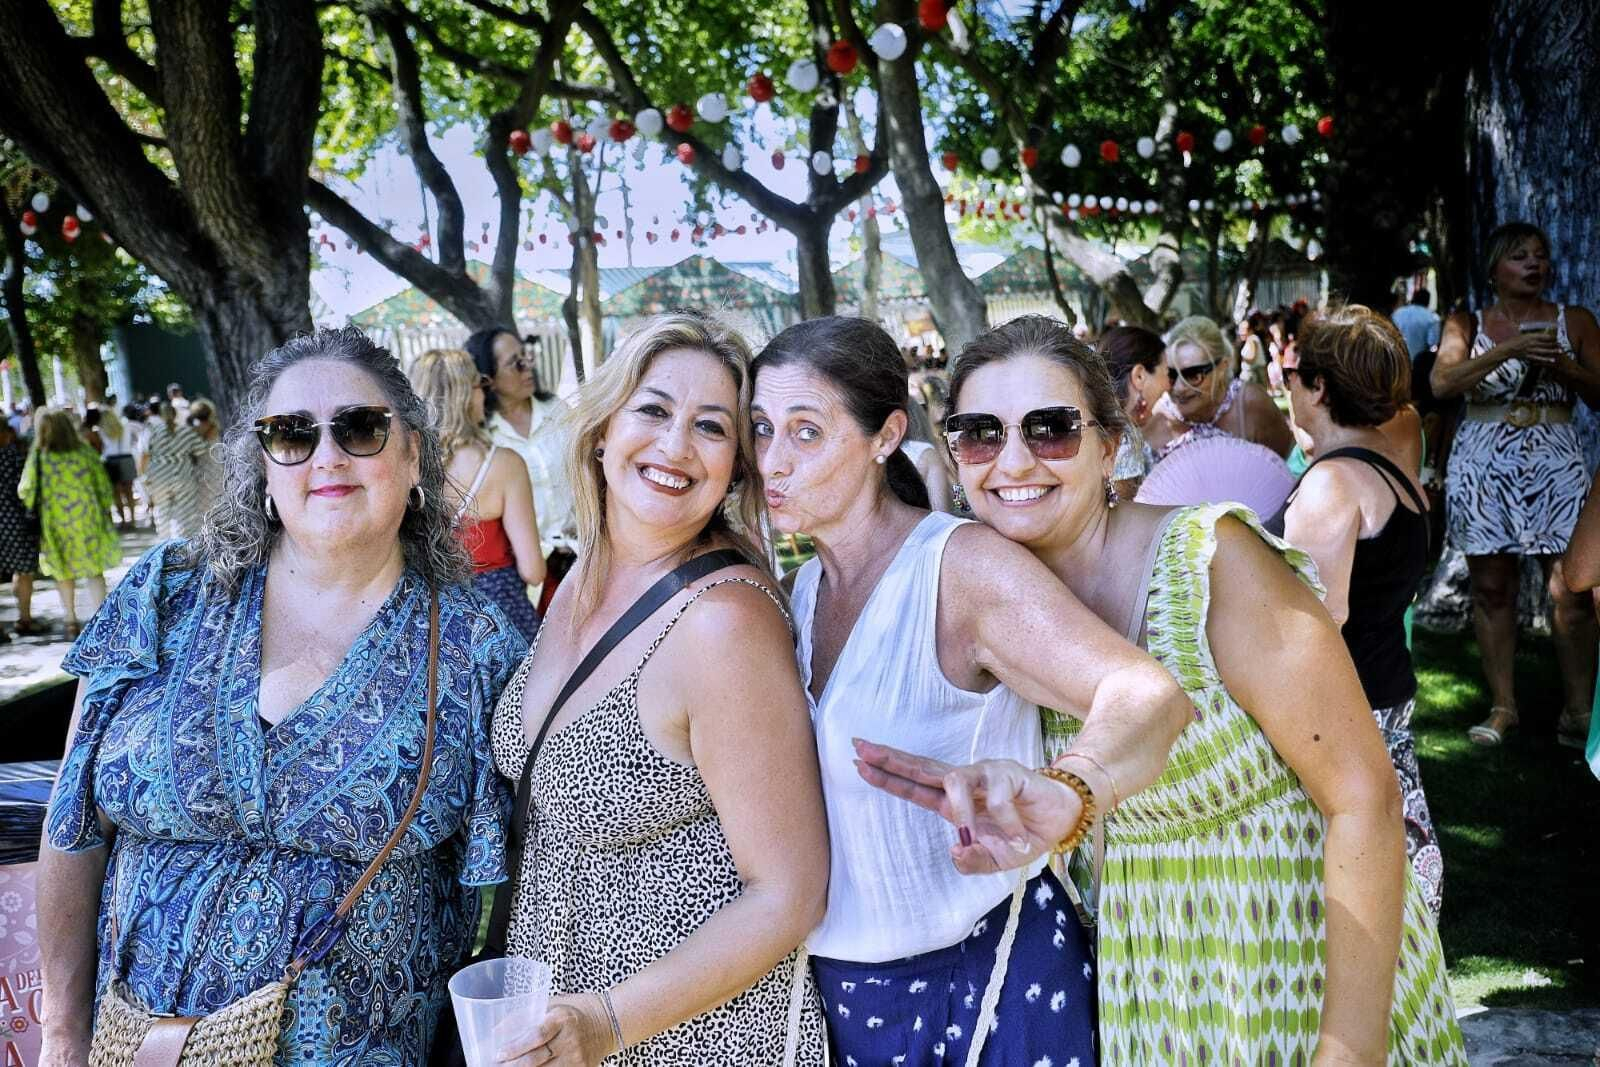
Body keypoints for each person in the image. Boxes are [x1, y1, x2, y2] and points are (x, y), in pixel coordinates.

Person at [855, 315, 1466, 1065]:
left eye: (1049, 429)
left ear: (1110, 446)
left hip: (1307, 962)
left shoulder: (1214, 561)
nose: (1012, 460)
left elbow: (1364, 797)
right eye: (980, 433)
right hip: (1157, 988)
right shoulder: (1001, 607)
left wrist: (1350, 1045)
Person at [35, 328, 525, 1065]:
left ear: (412, 453)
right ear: (263, 466)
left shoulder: (478, 645)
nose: (327, 455)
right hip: (138, 1046)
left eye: (360, 428)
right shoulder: (165, 594)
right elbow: (72, 824)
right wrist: (61, 1034)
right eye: (292, 434)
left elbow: (526, 876)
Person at [751, 315, 1193, 1066]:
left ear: (886, 436)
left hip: (990, 982)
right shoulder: (797, 594)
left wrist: (1069, 791)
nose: (772, 462)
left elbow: (1146, 691)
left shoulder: (959, 569)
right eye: (760, 429)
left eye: (806, 431)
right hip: (851, 1000)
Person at [490, 312, 827, 1065]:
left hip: (693, 1037)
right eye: (653, 409)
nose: (675, 447)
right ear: (604, 428)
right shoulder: (582, 573)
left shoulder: (721, 622)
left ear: (736, 465)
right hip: (558, 1027)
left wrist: (605, 1023)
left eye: (711, 427)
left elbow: (790, 892)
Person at [1267, 305, 1443, 916]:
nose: (1288, 386)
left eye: (1294, 374)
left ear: (1317, 385)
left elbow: (1314, 620)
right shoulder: (1397, 476)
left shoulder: (1333, 484)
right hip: (1386, 694)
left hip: (1340, 715)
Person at [1430, 222, 1600, 747]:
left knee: (1570, 588)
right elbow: (1441, 384)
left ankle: (1578, 712)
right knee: (1491, 587)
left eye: (1541, 257)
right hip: (1484, 461)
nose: (1535, 265)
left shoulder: (1574, 321)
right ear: (1495, 268)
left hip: (1556, 458)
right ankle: (1504, 706)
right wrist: (1506, 352)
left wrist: (1564, 366)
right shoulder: (1466, 323)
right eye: (1521, 256)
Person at [408, 347, 546, 641]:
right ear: (465, 395)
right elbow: (534, 571)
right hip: (501, 616)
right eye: (479, 385)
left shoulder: (405, 467)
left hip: (431, 618)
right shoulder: (505, 464)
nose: (484, 394)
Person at [470, 327, 577, 614]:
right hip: (528, 577)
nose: (527, 366)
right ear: (488, 380)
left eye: (526, 357)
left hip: (582, 558)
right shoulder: (484, 437)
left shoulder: (557, 410)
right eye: (514, 363)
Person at [18, 408, 120, 640]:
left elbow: (25, 490)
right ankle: (100, 620)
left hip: (55, 525)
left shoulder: (40, 456)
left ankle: (71, 621)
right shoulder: (84, 452)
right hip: (88, 522)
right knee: (94, 571)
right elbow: (104, 486)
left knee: (63, 574)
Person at [1143, 315, 1296, 459]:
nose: (1179, 388)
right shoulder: (1155, 419)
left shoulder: (1250, 405)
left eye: (1193, 375)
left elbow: (1289, 467)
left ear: (1222, 367)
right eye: (1171, 374)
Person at [1099, 324, 1167, 499]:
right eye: (1167, 372)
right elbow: (1120, 513)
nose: (1170, 385)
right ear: (1139, 376)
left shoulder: (1101, 422)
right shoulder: (1124, 436)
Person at [140, 399, 209, 539]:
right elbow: (202, 449)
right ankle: (183, 543)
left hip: (159, 476)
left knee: (162, 512)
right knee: (185, 513)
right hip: (183, 475)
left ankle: (165, 543)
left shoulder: (151, 432)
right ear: (175, 414)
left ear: (160, 415)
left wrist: (143, 476)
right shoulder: (186, 431)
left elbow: (144, 455)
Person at [0, 420, 42, 639]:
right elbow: (26, 490)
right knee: (23, 571)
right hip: (15, 524)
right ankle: (24, 619)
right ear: (5, 434)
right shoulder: (14, 458)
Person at [187, 395, 225, 511]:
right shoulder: (215, 426)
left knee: (205, 504)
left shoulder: (196, 429)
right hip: (216, 467)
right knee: (217, 498)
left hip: (203, 469)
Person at [1393, 288, 1442, 363]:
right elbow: (1432, 343)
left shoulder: (1397, 313)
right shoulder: (1432, 318)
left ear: (1414, 298)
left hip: (1397, 360)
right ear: (1428, 301)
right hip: (1418, 364)